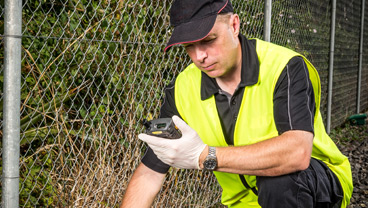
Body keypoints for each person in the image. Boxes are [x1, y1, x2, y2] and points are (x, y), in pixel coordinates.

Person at [121, 0, 353, 207]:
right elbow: (150, 172)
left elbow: (297, 153)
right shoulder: (182, 88)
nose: (199, 55)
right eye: (189, 46)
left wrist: (204, 156)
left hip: (314, 186)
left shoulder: (284, 67)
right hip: (246, 202)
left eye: (208, 40)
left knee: (280, 182)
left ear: (234, 26)